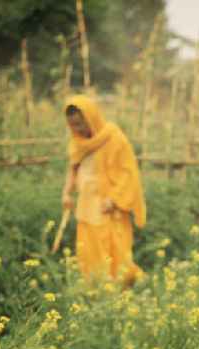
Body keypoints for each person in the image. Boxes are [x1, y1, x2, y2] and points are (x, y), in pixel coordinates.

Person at [61, 95, 146, 285]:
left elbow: (128, 172)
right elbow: (73, 169)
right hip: (86, 207)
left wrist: (114, 199)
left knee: (116, 254)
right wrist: (66, 193)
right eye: (72, 125)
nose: (77, 130)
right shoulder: (77, 143)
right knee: (88, 254)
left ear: (92, 118)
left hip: (109, 207)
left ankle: (120, 293)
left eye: (80, 124)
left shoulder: (114, 138)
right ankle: (95, 292)